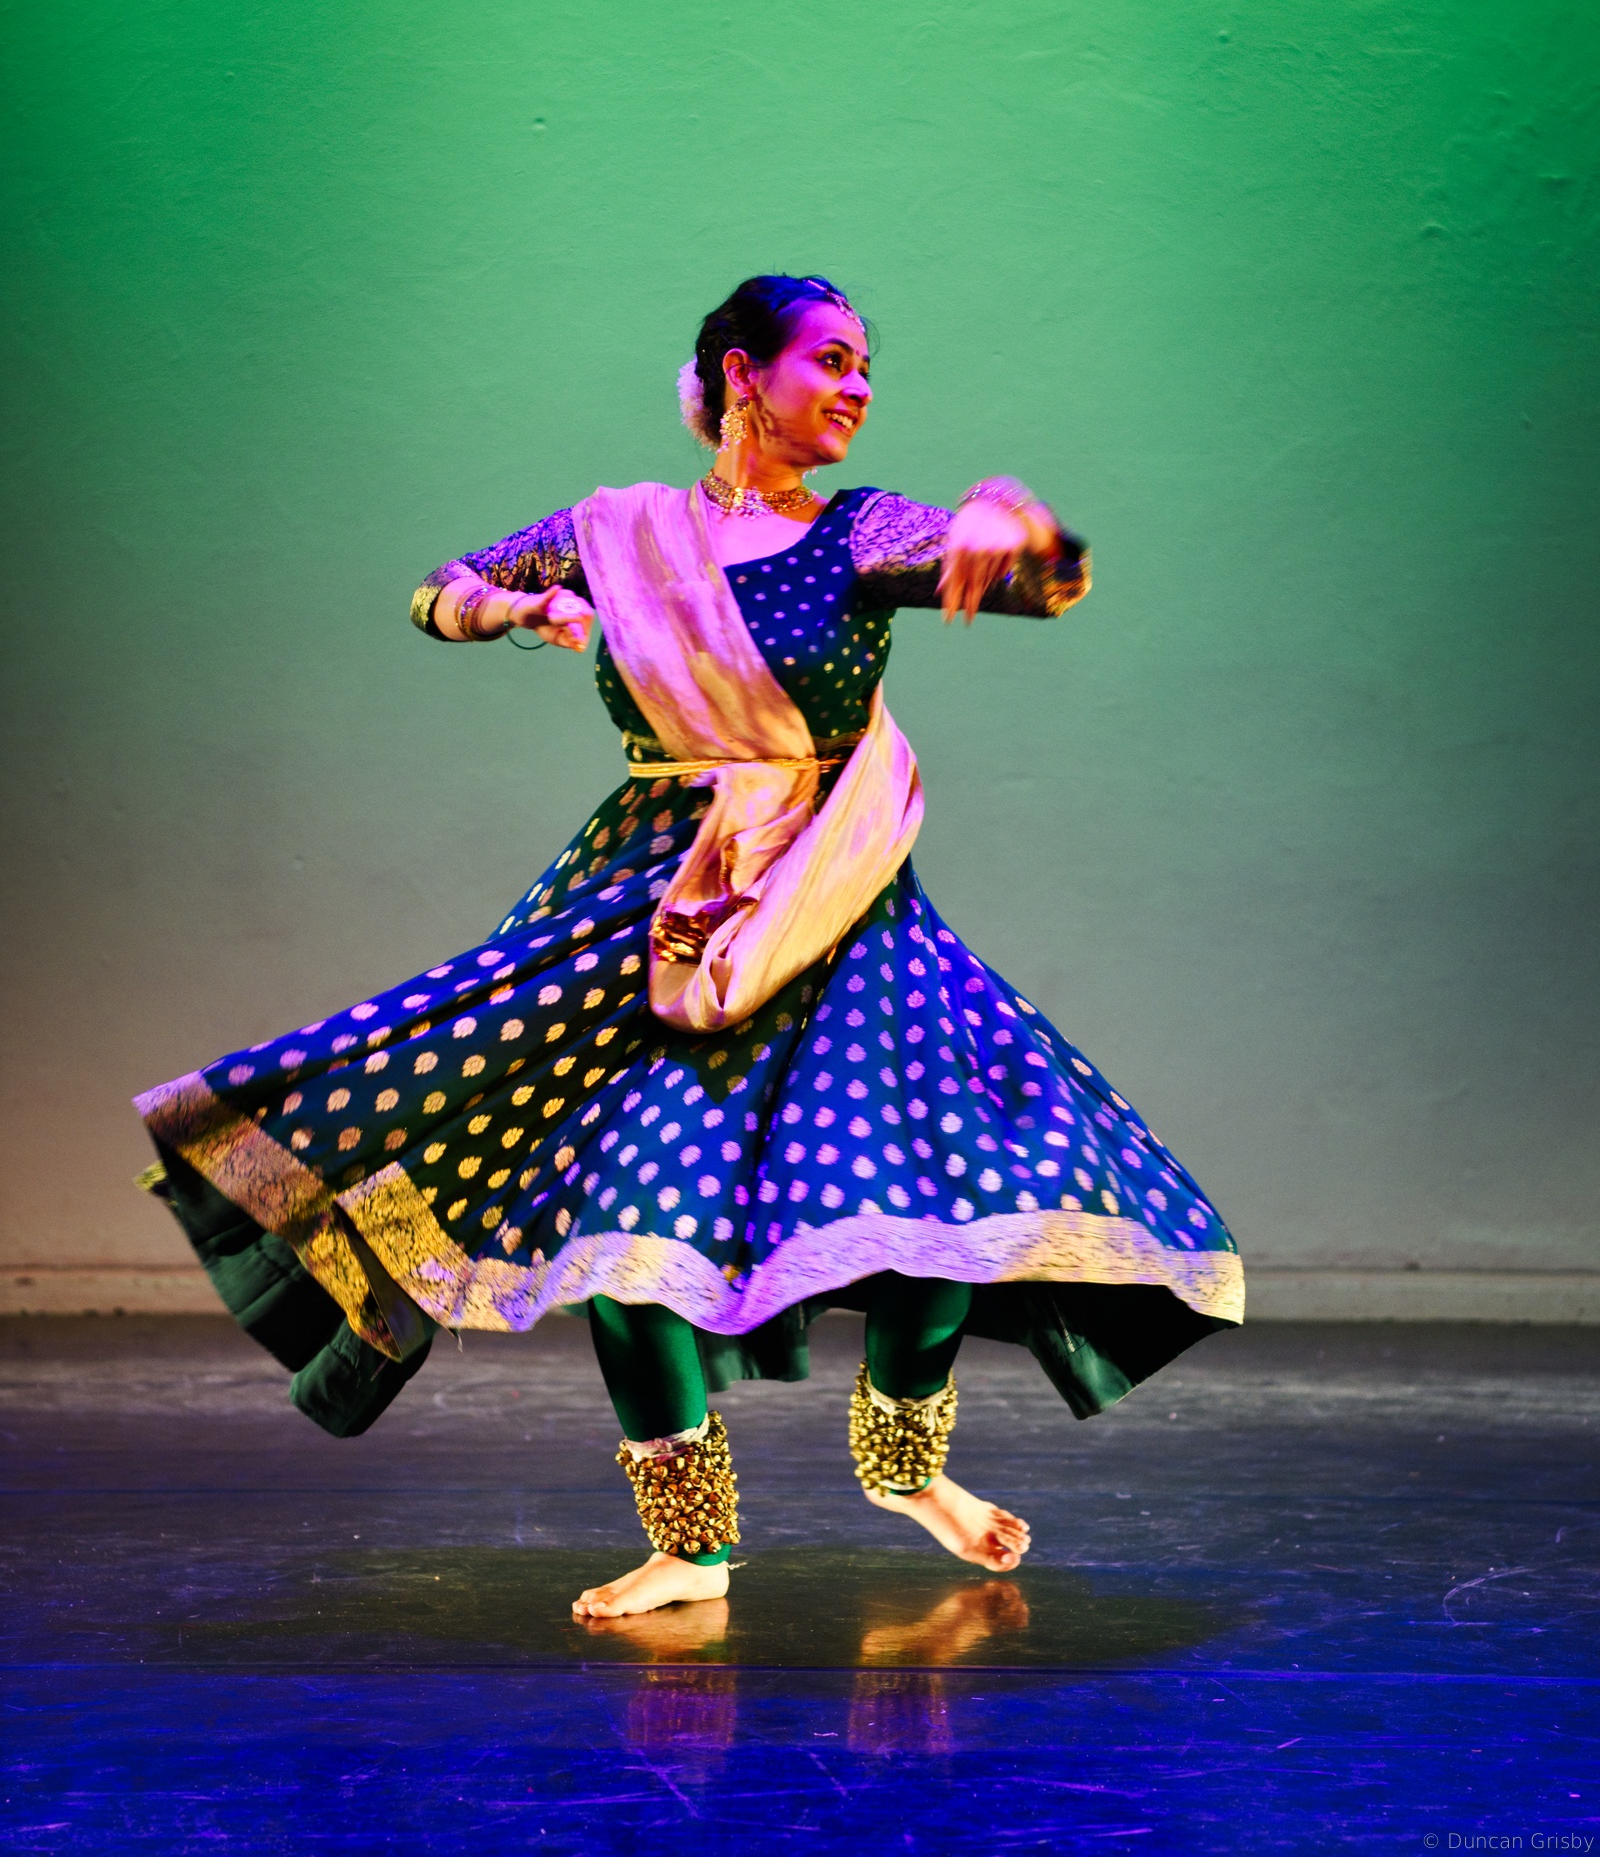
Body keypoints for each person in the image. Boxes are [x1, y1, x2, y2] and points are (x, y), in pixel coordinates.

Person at [135, 274, 1243, 1621]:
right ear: (740, 375)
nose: (856, 387)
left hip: (837, 911)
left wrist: (1015, 517)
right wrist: (518, 611)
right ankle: (691, 1544)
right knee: (629, 1228)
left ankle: (903, 1462)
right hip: (657, 902)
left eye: (866, 367)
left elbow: (1038, 580)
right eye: (829, 360)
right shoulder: (617, 534)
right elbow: (438, 589)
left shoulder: (861, 531)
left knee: (949, 1210)